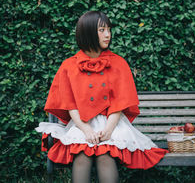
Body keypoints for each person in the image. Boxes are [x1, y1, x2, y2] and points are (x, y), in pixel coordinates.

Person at [36, 11, 168, 183]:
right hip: (81, 124)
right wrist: (86, 130)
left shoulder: (118, 63)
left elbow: (119, 102)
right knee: (82, 156)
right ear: (88, 32)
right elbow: (69, 104)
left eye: (109, 29)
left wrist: (108, 130)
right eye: (101, 30)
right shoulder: (69, 66)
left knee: (105, 156)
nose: (108, 34)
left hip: (112, 123)